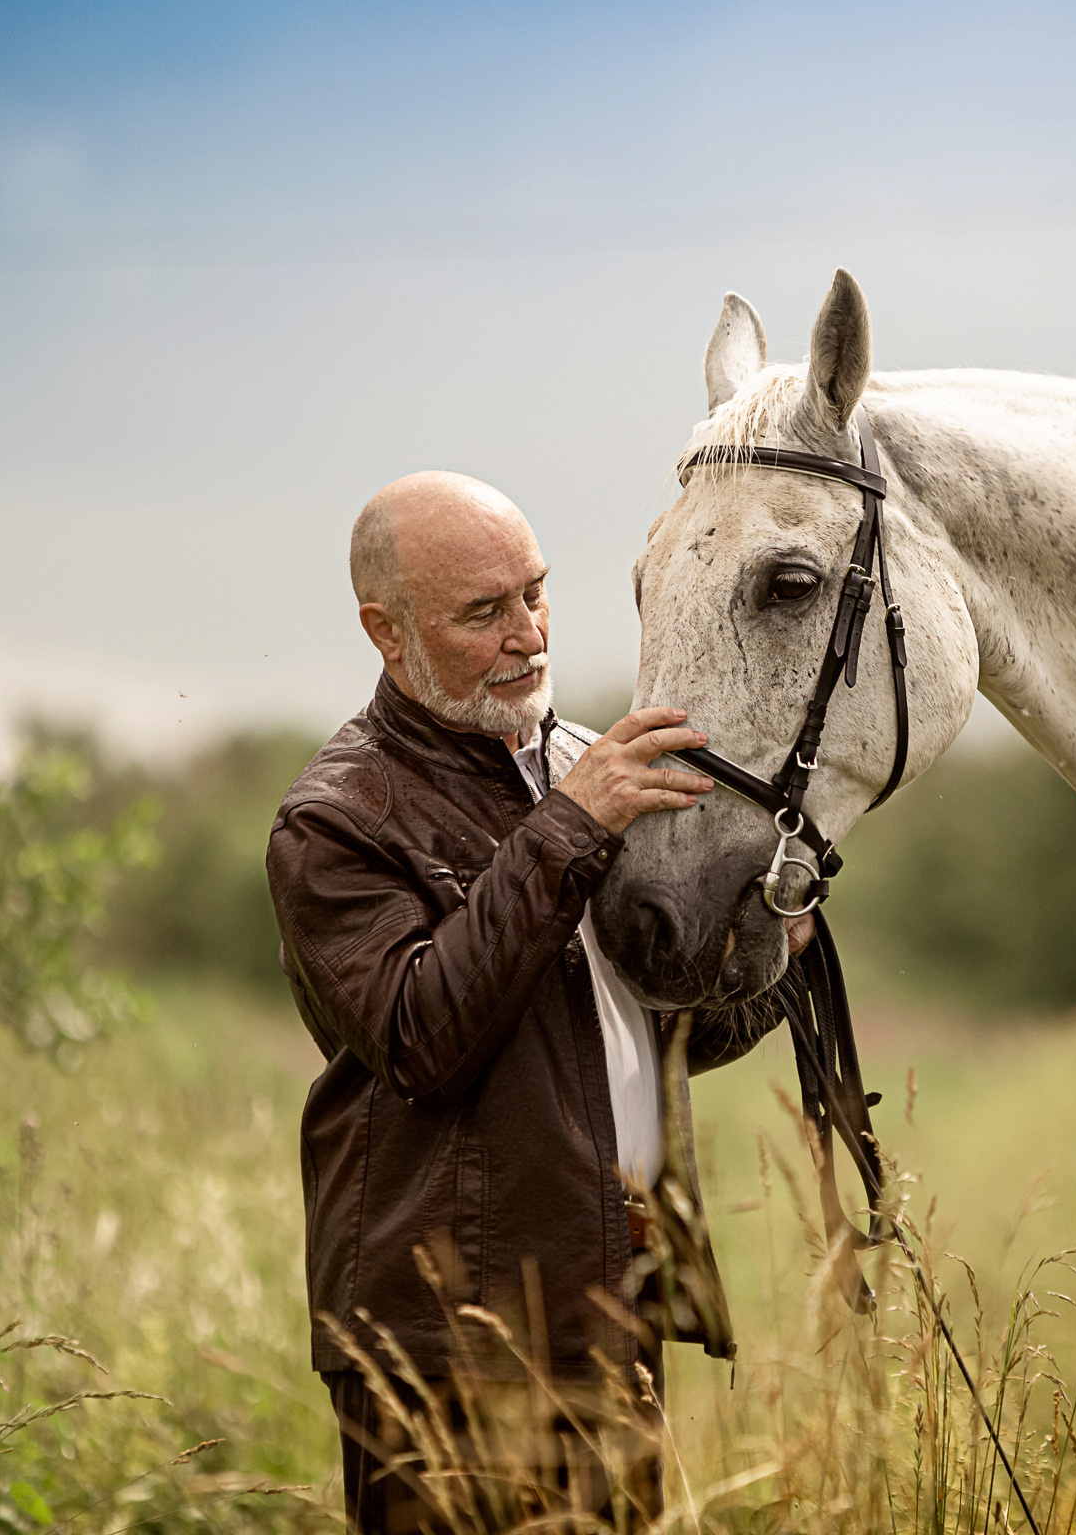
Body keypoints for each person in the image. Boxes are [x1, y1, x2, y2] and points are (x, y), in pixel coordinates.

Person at [266, 472, 800, 1532]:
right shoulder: (334, 822)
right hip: (445, 1344)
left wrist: (775, 940)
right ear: (387, 630)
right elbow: (425, 1038)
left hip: (610, 1310)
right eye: (485, 611)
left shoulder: (583, 767)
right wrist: (571, 825)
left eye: (536, 592)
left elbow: (655, 1032)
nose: (528, 633)